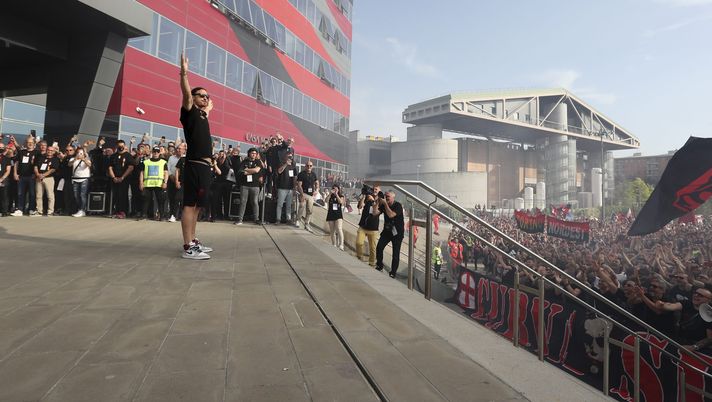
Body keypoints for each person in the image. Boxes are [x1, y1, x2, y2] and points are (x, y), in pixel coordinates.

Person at [179, 52, 214, 259]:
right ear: (194, 98)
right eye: (202, 95)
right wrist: (184, 74)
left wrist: (208, 108)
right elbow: (185, 93)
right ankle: (187, 246)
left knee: (199, 206)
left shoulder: (202, 114)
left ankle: (193, 240)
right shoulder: (189, 110)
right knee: (189, 205)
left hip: (205, 166)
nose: (206, 98)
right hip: (194, 164)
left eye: (207, 96)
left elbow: (207, 110)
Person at [374, 190, 405, 278]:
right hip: (387, 231)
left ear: (393, 197)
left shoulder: (397, 205)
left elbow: (391, 215)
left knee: (395, 254)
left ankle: (393, 272)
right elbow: (374, 214)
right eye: (385, 196)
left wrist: (385, 204)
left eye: (388, 196)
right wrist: (376, 202)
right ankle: (379, 265)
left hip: (397, 233)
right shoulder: (383, 205)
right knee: (379, 247)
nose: (386, 198)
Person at [139, 146, 168, 221]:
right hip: (148, 184)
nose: (156, 153)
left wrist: (165, 182)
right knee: (145, 200)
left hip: (159, 184)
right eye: (154, 152)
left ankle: (162, 216)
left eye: (157, 152)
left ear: (159, 153)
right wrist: (141, 183)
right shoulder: (146, 162)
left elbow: (166, 173)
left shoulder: (163, 162)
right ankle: (144, 215)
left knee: (160, 201)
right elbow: (142, 173)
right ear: (152, 152)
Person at [12, 136, 39, 216]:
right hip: (21, 177)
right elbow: (16, 163)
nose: (29, 144)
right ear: (25, 143)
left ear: (34, 144)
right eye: (28, 142)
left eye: (31, 142)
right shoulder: (21, 152)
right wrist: (15, 173)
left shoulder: (37, 153)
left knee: (32, 194)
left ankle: (31, 209)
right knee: (20, 193)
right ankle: (20, 209)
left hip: (31, 176)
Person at [108, 139, 134, 219]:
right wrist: (113, 177)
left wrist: (122, 177)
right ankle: (116, 211)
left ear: (124, 146)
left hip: (124, 179)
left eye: (122, 146)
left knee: (123, 195)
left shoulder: (128, 155)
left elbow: (131, 167)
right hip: (115, 179)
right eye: (119, 146)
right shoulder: (113, 156)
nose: (121, 147)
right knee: (115, 195)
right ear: (117, 146)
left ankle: (123, 212)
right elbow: (110, 167)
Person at [234, 147, 262, 225]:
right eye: (252, 153)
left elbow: (257, 170)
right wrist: (252, 171)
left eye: (255, 153)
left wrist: (247, 170)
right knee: (243, 202)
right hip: (244, 185)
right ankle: (240, 219)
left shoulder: (258, 161)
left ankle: (256, 219)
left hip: (255, 186)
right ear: (249, 153)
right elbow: (241, 171)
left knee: (255, 202)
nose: (253, 154)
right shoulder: (244, 162)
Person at [356, 185, 380, 266]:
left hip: (373, 227)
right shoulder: (367, 197)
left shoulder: (381, 200)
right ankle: (359, 257)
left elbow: (376, 211)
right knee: (359, 243)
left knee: (373, 248)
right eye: (373, 189)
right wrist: (363, 196)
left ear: (379, 190)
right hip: (363, 225)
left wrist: (373, 201)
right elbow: (360, 206)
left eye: (376, 189)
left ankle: (372, 263)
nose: (374, 190)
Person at [34, 144, 59, 216]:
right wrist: (38, 174)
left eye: (51, 150)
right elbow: (35, 166)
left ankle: (50, 211)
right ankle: (39, 211)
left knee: (50, 195)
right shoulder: (40, 157)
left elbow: (53, 169)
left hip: (49, 178)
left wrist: (44, 175)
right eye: (48, 150)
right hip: (39, 178)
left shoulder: (55, 159)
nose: (49, 151)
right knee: (38, 195)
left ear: (54, 152)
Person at [275, 151, 297, 225]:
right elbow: (279, 171)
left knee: (289, 205)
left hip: (290, 188)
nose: (290, 157)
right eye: (289, 156)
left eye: (291, 156)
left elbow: (295, 177)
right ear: (285, 157)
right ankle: (278, 219)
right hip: (282, 188)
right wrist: (285, 164)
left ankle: (288, 219)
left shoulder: (293, 166)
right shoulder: (281, 163)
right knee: (280, 204)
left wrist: (294, 188)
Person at [296, 160, 318, 232]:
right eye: (307, 165)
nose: (309, 167)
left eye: (310, 166)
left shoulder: (314, 174)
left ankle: (307, 223)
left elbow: (317, 182)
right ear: (305, 166)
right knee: (301, 206)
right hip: (303, 193)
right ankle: (298, 220)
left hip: (311, 195)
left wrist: (317, 190)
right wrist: (302, 195)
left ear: (312, 166)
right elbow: (299, 185)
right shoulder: (301, 174)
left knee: (310, 210)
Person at [71, 147, 92, 217]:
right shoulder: (73, 159)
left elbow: (89, 165)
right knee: (76, 195)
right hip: (75, 179)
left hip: (84, 179)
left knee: (82, 195)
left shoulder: (87, 159)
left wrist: (84, 159)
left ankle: (82, 210)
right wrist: (75, 159)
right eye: (78, 153)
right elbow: (69, 164)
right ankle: (79, 209)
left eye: (81, 153)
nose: (79, 154)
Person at [326, 184, 345, 250]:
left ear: (338, 189)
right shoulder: (330, 196)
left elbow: (341, 202)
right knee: (332, 230)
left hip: (338, 214)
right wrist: (329, 194)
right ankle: (334, 243)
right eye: (334, 188)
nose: (335, 189)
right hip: (331, 214)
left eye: (336, 188)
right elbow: (326, 201)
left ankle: (341, 244)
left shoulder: (341, 196)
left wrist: (336, 195)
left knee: (339, 228)